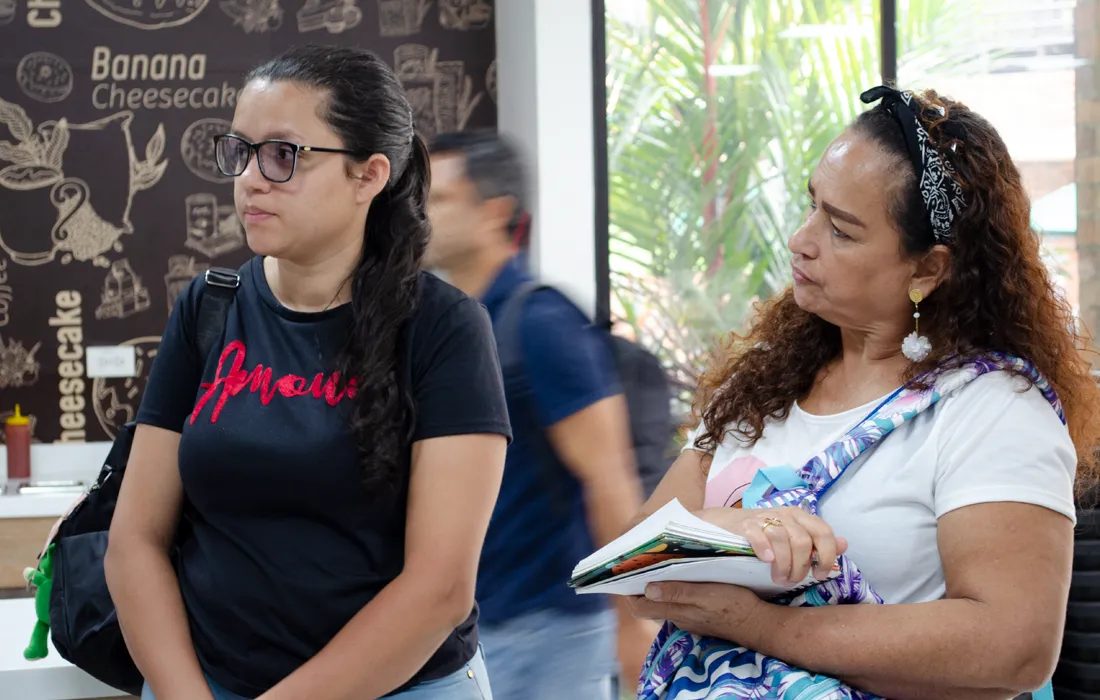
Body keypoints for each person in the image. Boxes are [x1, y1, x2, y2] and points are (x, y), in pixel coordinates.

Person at [625, 85, 1100, 699]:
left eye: (842, 230)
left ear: (928, 269)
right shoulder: (764, 384)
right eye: (812, 205)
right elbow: (629, 572)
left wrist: (764, 627)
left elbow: (1012, 648)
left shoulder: (992, 409)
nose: (802, 239)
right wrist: (723, 527)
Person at [104, 45, 511, 700]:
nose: (250, 180)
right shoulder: (209, 308)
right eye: (241, 151)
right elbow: (135, 542)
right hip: (208, 684)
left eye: (283, 155)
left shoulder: (445, 328)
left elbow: (440, 587)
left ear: (368, 175)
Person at [424, 130, 657, 699]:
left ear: (494, 212)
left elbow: (608, 480)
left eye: (438, 199)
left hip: (552, 632)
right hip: (467, 631)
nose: (419, 214)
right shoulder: (447, 323)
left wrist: (633, 622)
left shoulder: (542, 323)